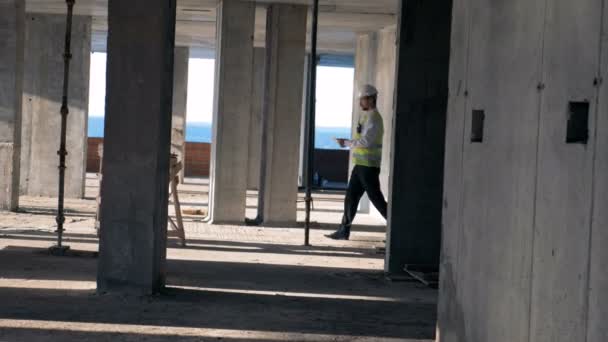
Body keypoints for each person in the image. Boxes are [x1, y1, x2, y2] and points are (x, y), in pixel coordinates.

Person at [326, 84, 388, 240]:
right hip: (360, 165)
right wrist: (347, 142)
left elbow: (366, 142)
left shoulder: (375, 119)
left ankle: (397, 227)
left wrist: (346, 143)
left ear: (371, 99)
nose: (360, 102)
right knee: (351, 197)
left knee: (376, 199)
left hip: (369, 166)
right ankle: (343, 230)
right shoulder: (366, 116)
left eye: (363, 99)